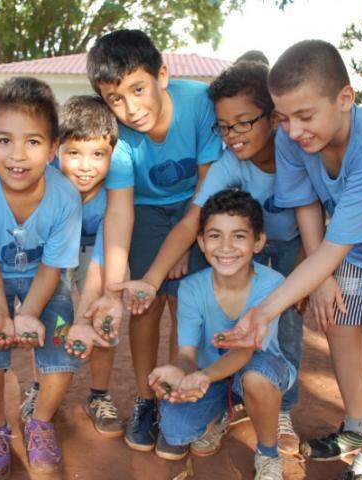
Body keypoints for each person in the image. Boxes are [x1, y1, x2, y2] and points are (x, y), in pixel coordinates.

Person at [111, 59, 304, 454]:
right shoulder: (229, 162)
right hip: (251, 242)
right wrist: (151, 281)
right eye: (224, 126)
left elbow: (312, 212)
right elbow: (190, 224)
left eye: (244, 123)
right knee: (242, 313)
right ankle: (229, 392)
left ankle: (281, 405)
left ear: (272, 118)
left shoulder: (295, 151)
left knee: (288, 319)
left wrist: (310, 274)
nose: (232, 135)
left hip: (294, 245)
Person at [212, 40, 362, 480]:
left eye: (305, 116)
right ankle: (356, 428)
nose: (293, 130)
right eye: (283, 117)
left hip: (348, 242)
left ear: (345, 99)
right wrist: (320, 277)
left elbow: (335, 246)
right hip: (355, 246)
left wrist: (264, 311)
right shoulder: (291, 138)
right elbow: (305, 204)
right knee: (341, 323)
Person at [86, 29, 222, 451]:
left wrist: (182, 242)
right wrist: (116, 280)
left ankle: (178, 396)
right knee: (144, 302)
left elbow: (207, 189)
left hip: (198, 207)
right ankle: (147, 398)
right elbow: (121, 209)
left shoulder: (199, 104)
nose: (130, 108)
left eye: (138, 89)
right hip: (145, 210)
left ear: (162, 75)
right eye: (115, 99)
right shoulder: (121, 135)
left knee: (188, 303)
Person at [0, 77, 82, 479]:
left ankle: (40, 421)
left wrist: (28, 313)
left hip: (44, 278)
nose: (17, 155)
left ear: (53, 148)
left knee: (60, 344)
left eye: (33, 142)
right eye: (5, 140)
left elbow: (53, 267)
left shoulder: (65, 196)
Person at [150, 189, 295, 480]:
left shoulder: (272, 284)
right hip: (213, 375)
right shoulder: (191, 288)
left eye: (239, 236)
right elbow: (188, 355)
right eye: (215, 236)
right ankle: (224, 408)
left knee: (255, 377)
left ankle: (268, 454)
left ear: (258, 242)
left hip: (261, 368)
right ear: (201, 242)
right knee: (175, 431)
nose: (226, 247)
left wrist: (203, 377)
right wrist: (181, 372)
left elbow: (246, 351)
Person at [20, 95, 123, 437]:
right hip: (54, 250)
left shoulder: (116, 191)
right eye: (74, 153)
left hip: (97, 248)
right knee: (49, 317)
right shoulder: (45, 181)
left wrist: (88, 312)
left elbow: (104, 256)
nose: (85, 166)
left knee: (102, 315)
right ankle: (39, 387)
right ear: (56, 152)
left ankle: (99, 394)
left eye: (98, 155)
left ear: (112, 154)